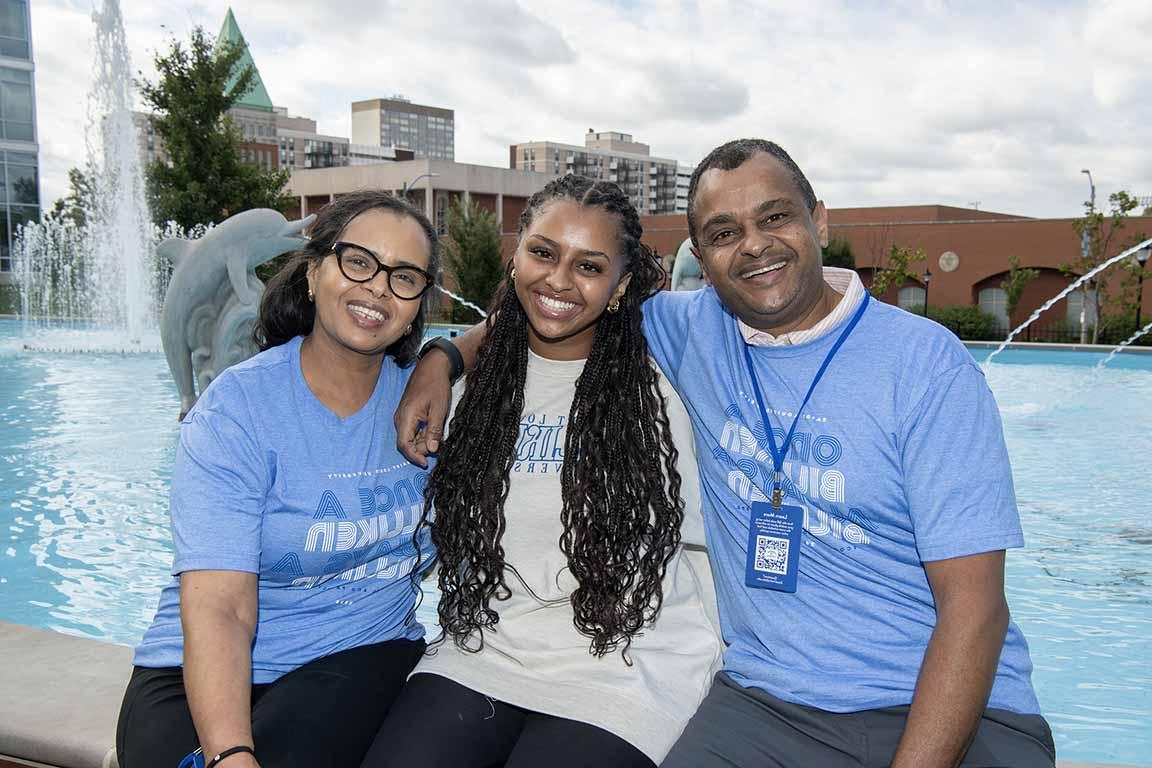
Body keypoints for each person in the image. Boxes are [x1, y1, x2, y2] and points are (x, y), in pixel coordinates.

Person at [396, 141, 1056, 768]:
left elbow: (975, 608)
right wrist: (444, 354)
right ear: (702, 259)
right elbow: (553, 298)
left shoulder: (924, 365)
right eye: (722, 233)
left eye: (775, 218)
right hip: (768, 704)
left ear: (818, 221)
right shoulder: (690, 328)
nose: (754, 246)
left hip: (950, 706)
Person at [363, 175, 721, 768]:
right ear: (516, 257)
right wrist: (442, 354)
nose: (558, 280)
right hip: (486, 648)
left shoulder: (671, 386)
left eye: (589, 266)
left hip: (626, 663)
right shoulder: (467, 390)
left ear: (621, 285)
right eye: (543, 253)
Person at [117, 191, 441, 768]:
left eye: (405, 277)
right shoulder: (238, 409)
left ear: (419, 303)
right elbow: (221, 607)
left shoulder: (428, 405)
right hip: (197, 662)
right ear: (314, 272)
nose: (378, 288)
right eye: (358, 261)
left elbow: (521, 320)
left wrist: (444, 358)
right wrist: (230, 754)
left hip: (356, 649)